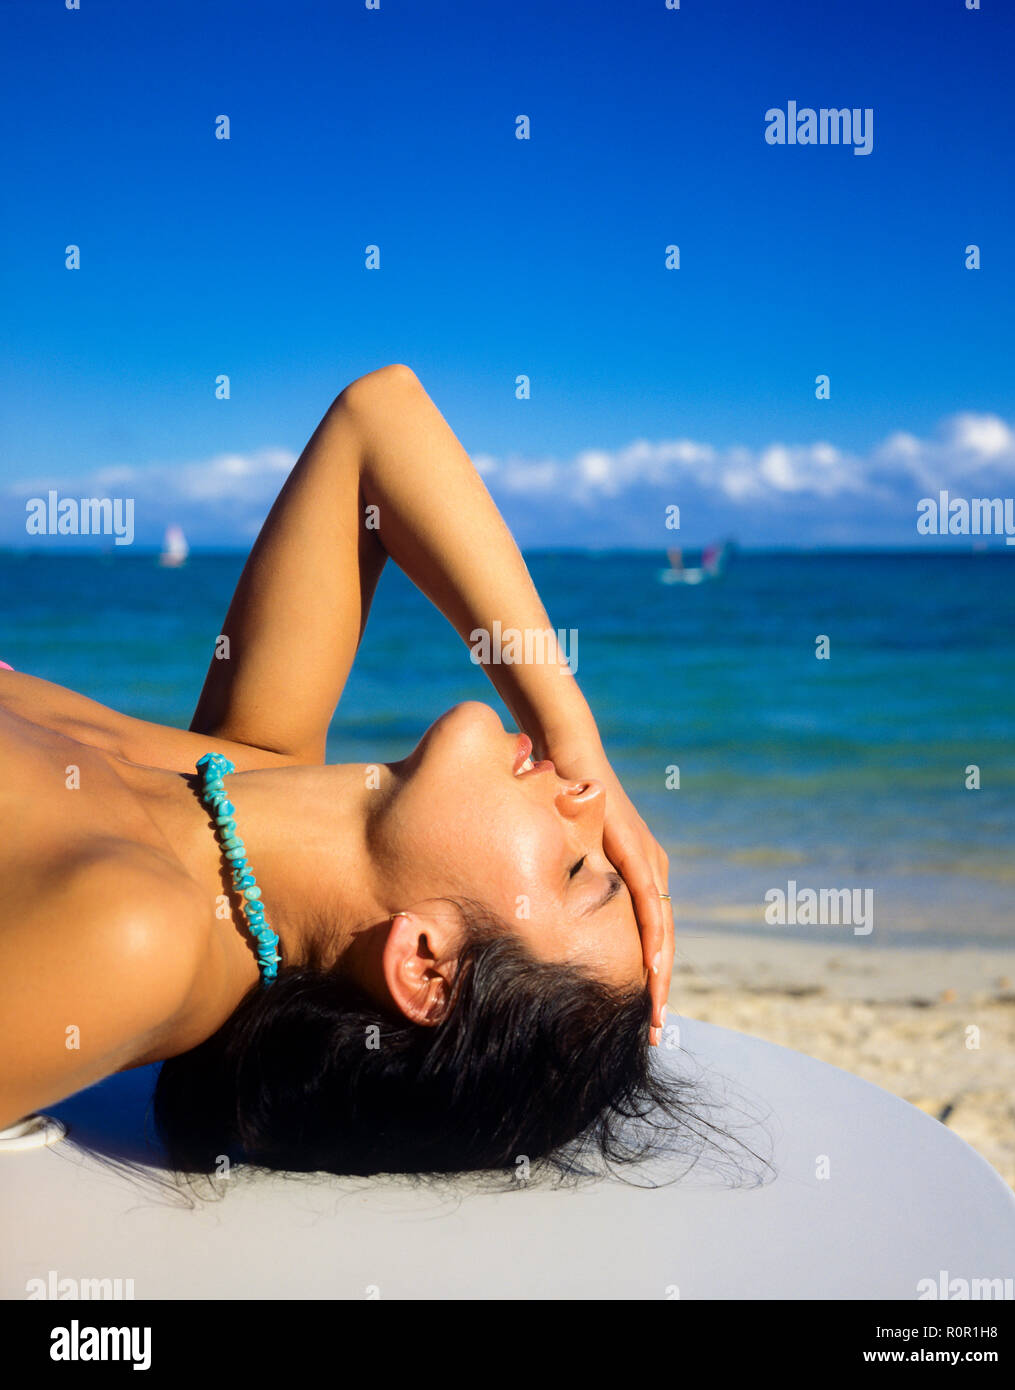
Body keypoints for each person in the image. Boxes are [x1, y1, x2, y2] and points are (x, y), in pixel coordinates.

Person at [0, 364, 683, 1179]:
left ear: (426, 964)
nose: (590, 798)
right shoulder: (247, 768)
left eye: (575, 867)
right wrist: (573, 728)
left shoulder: (142, 939)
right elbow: (378, 417)